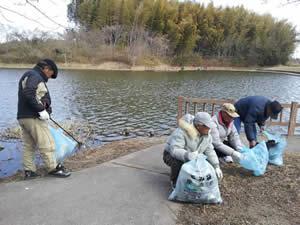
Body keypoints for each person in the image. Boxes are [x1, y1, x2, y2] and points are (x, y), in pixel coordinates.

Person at [17, 58, 71, 179]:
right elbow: (29, 93)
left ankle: (29, 171)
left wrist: (46, 107)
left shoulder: (29, 75)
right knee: (47, 143)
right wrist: (40, 110)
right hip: (33, 117)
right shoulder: (35, 75)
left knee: (29, 145)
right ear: (46, 68)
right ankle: (53, 168)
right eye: (50, 74)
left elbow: (36, 95)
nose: (49, 77)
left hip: (23, 117)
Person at [163, 112, 222, 187]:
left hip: (193, 157)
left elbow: (210, 151)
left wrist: (216, 166)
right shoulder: (181, 131)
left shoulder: (207, 135)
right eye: (207, 126)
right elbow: (174, 150)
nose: (209, 128)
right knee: (178, 161)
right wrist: (187, 155)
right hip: (170, 155)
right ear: (198, 126)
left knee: (206, 164)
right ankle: (175, 182)